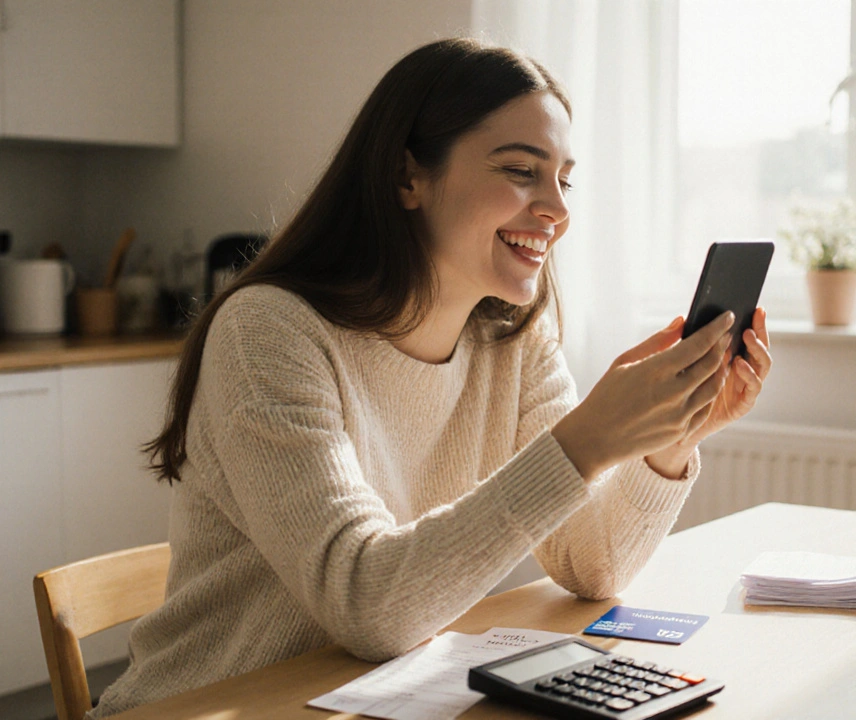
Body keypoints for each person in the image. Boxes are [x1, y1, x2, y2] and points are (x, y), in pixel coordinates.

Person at [89, 37, 771, 717]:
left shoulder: (511, 341)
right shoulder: (269, 332)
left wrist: (671, 436)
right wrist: (587, 441)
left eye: (564, 179)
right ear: (407, 176)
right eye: (520, 171)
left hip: (353, 704)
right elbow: (366, 604)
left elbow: (594, 567)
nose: (557, 210)